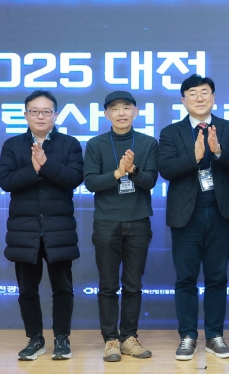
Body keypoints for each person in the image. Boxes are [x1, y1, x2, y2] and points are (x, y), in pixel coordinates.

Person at [158, 74, 229, 360]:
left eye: (205, 92)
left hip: (220, 211)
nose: (199, 97)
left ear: (213, 97)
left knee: (217, 276)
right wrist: (193, 158)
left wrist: (218, 151)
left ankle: (215, 336)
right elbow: (166, 169)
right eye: (192, 93)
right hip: (186, 215)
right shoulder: (171, 132)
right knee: (186, 278)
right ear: (183, 100)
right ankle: (187, 336)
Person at [0, 90, 84, 361]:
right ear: (26, 115)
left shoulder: (69, 144)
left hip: (59, 229)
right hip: (25, 230)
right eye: (35, 111)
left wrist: (46, 165)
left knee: (63, 288)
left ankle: (62, 339)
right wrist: (33, 170)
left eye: (46, 111)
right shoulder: (13, 145)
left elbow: (75, 178)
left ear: (55, 115)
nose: (41, 116)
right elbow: (5, 180)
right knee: (27, 290)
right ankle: (35, 339)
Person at [83, 91, 159, 362]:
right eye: (114, 109)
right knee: (107, 285)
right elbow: (90, 182)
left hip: (138, 221)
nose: (121, 113)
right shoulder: (96, 144)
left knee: (133, 284)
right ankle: (111, 340)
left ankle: (129, 338)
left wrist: (133, 170)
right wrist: (117, 173)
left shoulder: (148, 143)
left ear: (135, 112)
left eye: (126, 107)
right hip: (106, 222)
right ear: (107, 115)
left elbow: (150, 181)